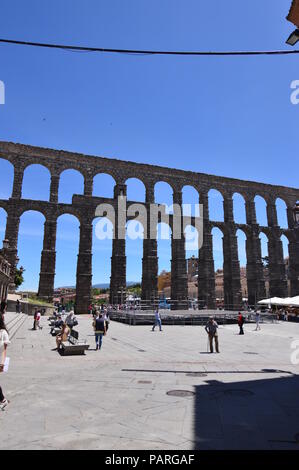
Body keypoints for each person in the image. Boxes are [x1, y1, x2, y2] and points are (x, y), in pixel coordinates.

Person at [0, 315, 10, 410]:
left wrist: (2, 363)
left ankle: (3, 400)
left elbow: (4, 350)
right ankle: (3, 400)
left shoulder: (3, 333)